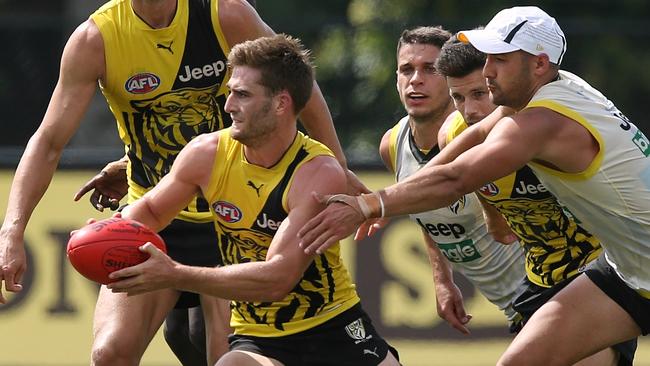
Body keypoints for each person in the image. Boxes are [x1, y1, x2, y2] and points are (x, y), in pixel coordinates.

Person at [0, 1, 357, 365]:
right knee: (110, 354)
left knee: (224, 358)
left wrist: (336, 165)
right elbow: (47, 142)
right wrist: (12, 231)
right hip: (156, 214)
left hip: (229, 223)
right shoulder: (97, 38)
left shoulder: (225, 14)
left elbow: (296, 84)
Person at [298, 6, 650, 365]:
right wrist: (396, 192)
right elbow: (477, 134)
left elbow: (457, 178)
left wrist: (368, 206)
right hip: (628, 269)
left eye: (501, 60)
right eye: (488, 58)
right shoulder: (554, 88)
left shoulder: (540, 122)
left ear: (540, 64)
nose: (488, 71)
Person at [98, 34, 400, 366]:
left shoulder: (317, 171)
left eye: (242, 94)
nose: (228, 106)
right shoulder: (206, 153)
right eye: (229, 92)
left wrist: (174, 273)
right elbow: (152, 210)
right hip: (258, 338)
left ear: (281, 103)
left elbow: (277, 279)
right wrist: (109, 232)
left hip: (331, 329)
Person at [435, 34, 636, 365]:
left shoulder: (549, 124)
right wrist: (443, 276)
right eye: (457, 97)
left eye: (479, 94)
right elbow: (482, 212)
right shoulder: (454, 137)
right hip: (540, 282)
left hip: (600, 278)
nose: (470, 110)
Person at [379, 25, 525, 335]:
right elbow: (428, 203)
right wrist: (442, 279)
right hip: (517, 308)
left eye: (429, 69)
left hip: (556, 291)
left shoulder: (488, 133)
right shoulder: (393, 144)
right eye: (406, 69)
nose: (415, 79)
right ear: (396, 79)